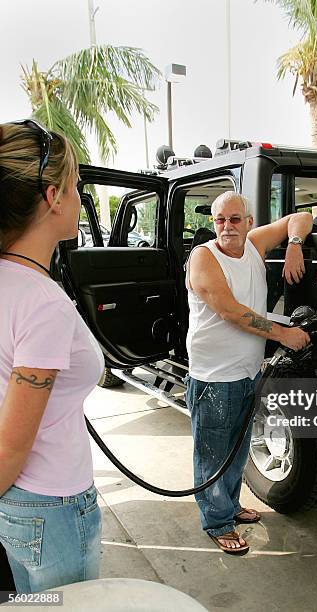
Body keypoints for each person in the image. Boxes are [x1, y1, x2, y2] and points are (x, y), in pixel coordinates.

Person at [0, 120, 104, 592]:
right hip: (50, 506)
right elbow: (12, 446)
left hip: (22, 503)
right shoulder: (42, 303)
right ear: (51, 196)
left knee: (31, 606)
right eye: (76, 186)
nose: (80, 198)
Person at [185, 191, 312, 554]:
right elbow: (230, 311)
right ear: (213, 223)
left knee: (238, 448)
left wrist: (294, 244)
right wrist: (283, 334)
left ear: (249, 222)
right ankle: (217, 521)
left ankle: (230, 505)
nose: (227, 226)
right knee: (213, 452)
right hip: (214, 377)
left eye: (235, 219)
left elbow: (300, 217)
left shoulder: (254, 246)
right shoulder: (203, 258)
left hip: (247, 373)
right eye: (220, 219)